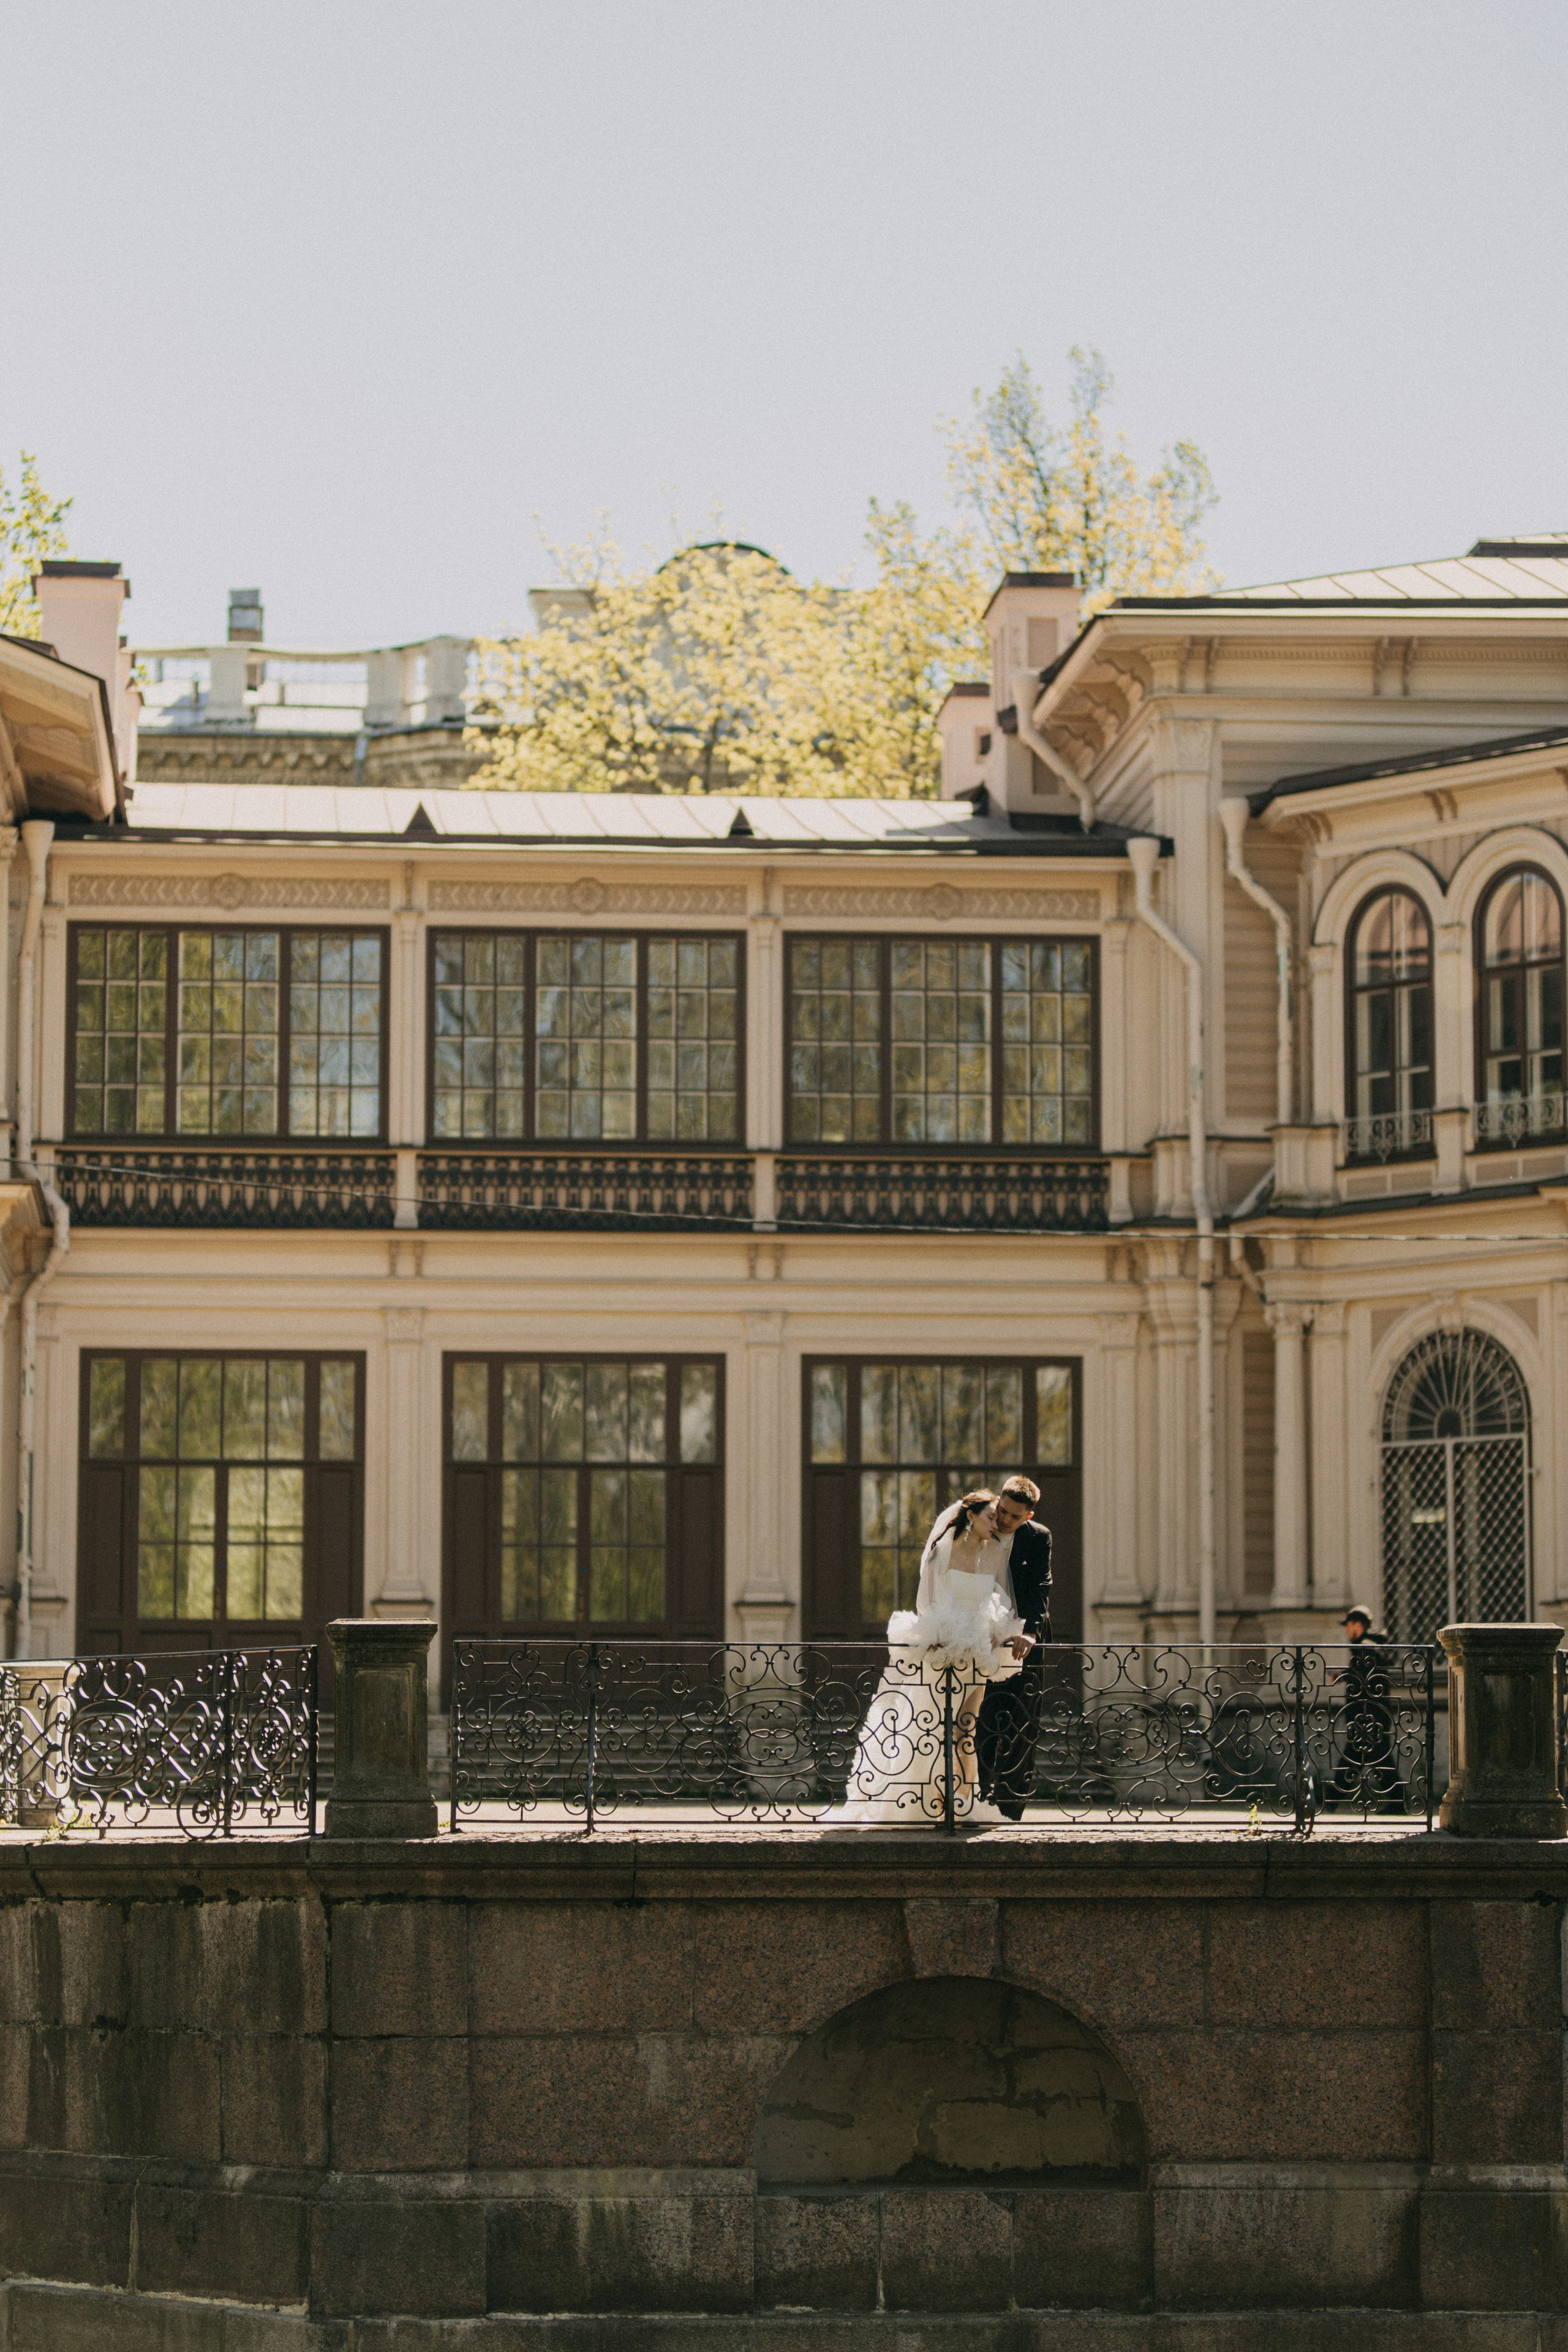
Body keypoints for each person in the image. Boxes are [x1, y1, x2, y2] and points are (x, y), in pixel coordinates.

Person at [836, 1488, 1027, 1824]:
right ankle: (934, 1798)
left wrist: (1003, 1634)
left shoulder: (996, 1552)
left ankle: (965, 1800)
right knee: (936, 1726)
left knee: (967, 1726)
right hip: (944, 1648)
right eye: (991, 1517)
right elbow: (927, 1601)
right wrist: (939, 1638)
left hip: (977, 1649)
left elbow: (1001, 1600)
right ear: (972, 1515)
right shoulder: (944, 1549)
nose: (997, 1523)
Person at [975, 1477, 1053, 1820]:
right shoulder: (979, 1526)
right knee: (979, 1717)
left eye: (1014, 1517)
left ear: (1029, 1515)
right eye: (1002, 1511)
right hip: (978, 1639)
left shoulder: (1039, 1537)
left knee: (1023, 1721)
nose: (1004, 1521)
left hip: (1024, 1641)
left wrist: (1031, 1632)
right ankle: (977, 1799)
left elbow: (1041, 1587)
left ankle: (1011, 1811)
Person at [1328, 1606, 1401, 1811]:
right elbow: (1362, 1671)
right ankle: (1399, 1801)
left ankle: (1330, 1801)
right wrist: (1344, 1674)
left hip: (1368, 1715)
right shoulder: (1367, 1646)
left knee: (1358, 1759)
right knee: (1372, 1760)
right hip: (1369, 1714)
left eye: (1348, 1626)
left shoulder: (1365, 1647)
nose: (1346, 1631)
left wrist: (1344, 1675)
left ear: (1358, 1625)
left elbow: (1364, 1672)